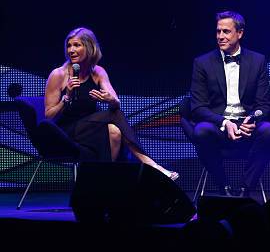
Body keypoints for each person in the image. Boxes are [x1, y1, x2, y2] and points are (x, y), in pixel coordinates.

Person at [44, 28, 178, 180]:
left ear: (89, 47)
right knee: (114, 116)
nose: (71, 50)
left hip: (92, 128)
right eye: (69, 46)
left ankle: (108, 180)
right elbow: (49, 116)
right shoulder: (59, 74)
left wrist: (110, 99)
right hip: (67, 131)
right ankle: (151, 165)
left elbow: (115, 103)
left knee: (114, 130)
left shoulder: (98, 72)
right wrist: (66, 97)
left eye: (77, 45)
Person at [190, 11, 270, 197]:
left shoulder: (257, 61)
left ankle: (246, 190)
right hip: (218, 127)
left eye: (226, 31)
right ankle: (224, 187)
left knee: (269, 130)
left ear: (240, 33)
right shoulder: (202, 63)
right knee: (201, 130)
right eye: (218, 31)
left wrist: (252, 119)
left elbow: (264, 104)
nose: (220, 36)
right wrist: (224, 122)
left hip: (247, 127)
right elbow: (197, 107)